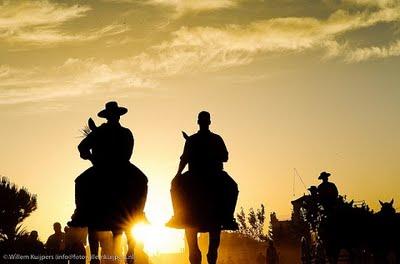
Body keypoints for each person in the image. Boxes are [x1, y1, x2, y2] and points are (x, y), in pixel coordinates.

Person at [68, 101, 148, 264]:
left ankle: (82, 213)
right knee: (142, 180)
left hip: (106, 167)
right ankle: (138, 212)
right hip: (120, 167)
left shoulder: (111, 132)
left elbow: (82, 148)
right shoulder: (124, 132)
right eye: (112, 114)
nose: (113, 117)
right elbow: (82, 147)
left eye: (114, 114)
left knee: (81, 182)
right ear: (115, 115)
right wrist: (92, 157)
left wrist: (92, 158)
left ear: (116, 115)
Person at [167, 111, 239, 264]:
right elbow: (186, 158)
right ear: (206, 122)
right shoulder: (210, 139)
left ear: (200, 122)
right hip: (206, 174)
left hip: (206, 174)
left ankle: (226, 215)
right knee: (175, 186)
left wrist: (179, 173)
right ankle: (226, 217)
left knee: (233, 187)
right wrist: (178, 174)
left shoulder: (197, 139)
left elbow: (224, 157)